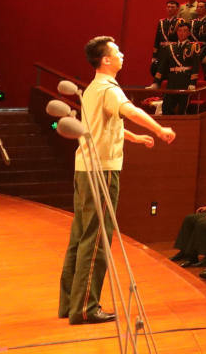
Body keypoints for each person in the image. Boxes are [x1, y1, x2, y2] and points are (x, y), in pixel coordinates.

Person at [59, 36, 177, 325]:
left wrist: (134, 137)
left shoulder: (92, 89)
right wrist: (159, 129)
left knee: (80, 235)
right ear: (106, 60)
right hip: (102, 171)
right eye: (117, 51)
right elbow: (131, 111)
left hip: (84, 169)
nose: (122, 54)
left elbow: (102, 125)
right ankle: (86, 308)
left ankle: (70, 303)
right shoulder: (109, 89)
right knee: (97, 237)